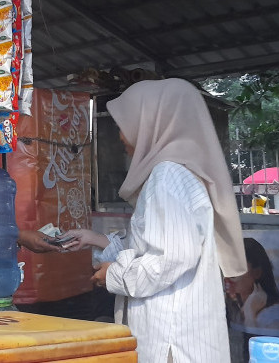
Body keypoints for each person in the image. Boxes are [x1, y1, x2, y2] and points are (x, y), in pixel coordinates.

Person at [59, 78, 246, 363]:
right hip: (178, 335)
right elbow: (154, 245)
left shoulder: (167, 176)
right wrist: (94, 238)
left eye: (125, 123)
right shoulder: (181, 174)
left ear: (152, 123)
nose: (120, 135)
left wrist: (113, 275)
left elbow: (171, 258)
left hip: (170, 343)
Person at [225, 237, 279, 331]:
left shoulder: (278, 312)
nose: (228, 277)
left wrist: (250, 315)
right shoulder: (233, 310)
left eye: (236, 269)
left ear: (257, 272)